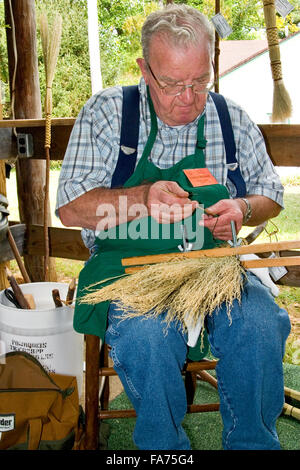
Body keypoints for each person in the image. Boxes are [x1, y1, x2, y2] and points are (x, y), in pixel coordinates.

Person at [56, 4, 291, 450]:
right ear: (145, 70)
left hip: (211, 266)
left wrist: (241, 207)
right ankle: (164, 451)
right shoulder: (109, 113)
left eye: (200, 81)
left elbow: (271, 196)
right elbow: (70, 208)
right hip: (131, 271)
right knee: (147, 334)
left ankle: (253, 444)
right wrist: (140, 197)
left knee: (261, 322)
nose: (189, 97)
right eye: (173, 84)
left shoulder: (230, 117)